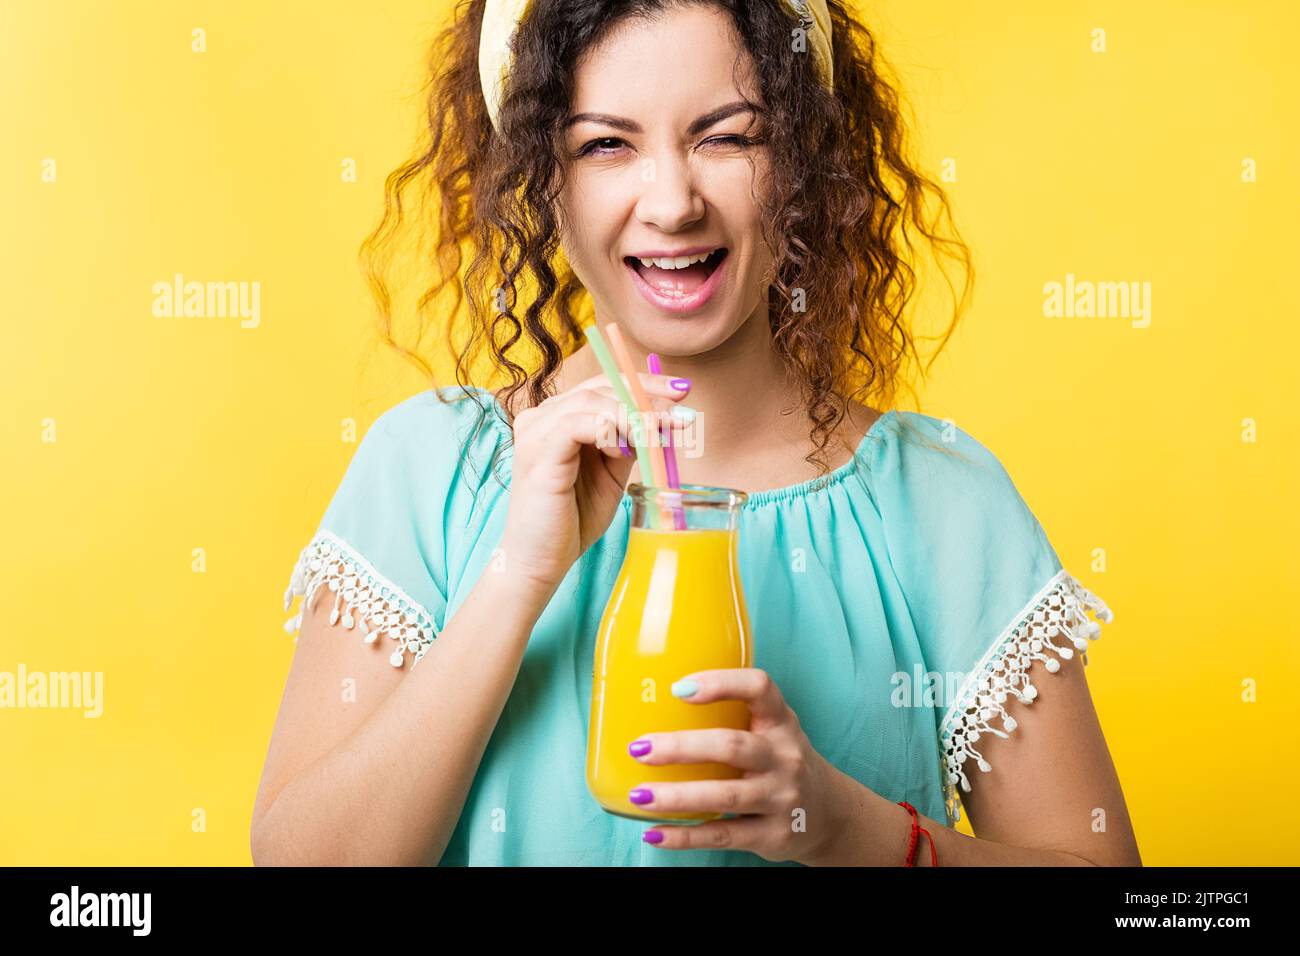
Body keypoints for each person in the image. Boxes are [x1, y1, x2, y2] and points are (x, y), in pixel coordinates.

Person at [251, 0, 1140, 866]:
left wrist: (850, 832)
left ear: (799, 157)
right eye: (605, 145)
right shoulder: (432, 472)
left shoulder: (942, 506)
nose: (673, 203)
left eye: (727, 136)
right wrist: (519, 575)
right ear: (542, 178)